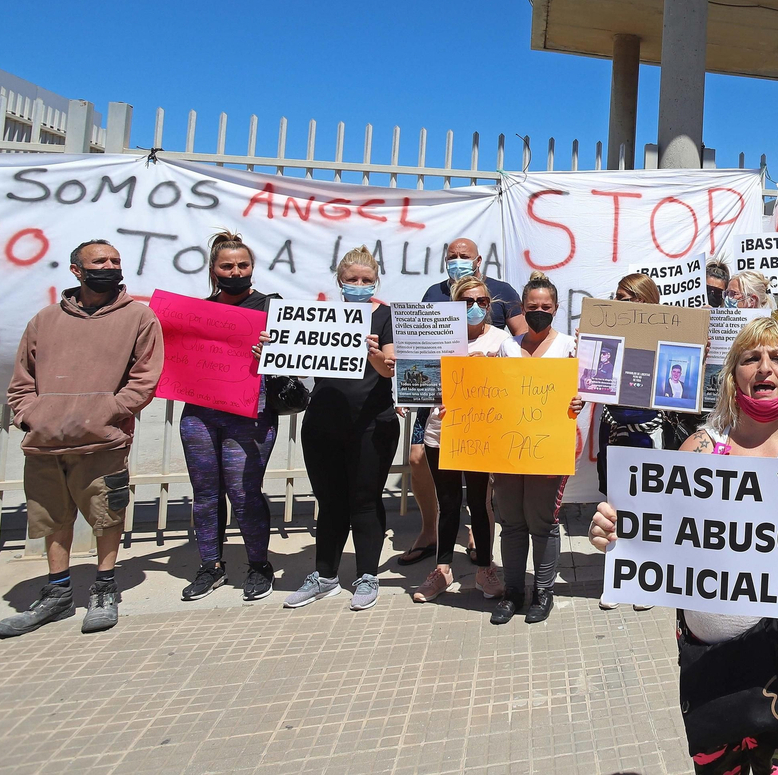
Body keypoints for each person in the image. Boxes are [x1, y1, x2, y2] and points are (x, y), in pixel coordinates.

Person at [588, 317, 778, 775]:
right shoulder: (700, 447)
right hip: (710, 659)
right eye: (751, 358)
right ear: (733, 375)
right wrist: (615, 533)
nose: (764, 367)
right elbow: (652, 539)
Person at [0, 240, 163, 637]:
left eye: (115, 260)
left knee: (107, 516)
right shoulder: (45, 320)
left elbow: (144, 379)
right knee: (52, 517)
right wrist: (30, 416)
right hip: (46, 442)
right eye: (99, 261)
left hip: (103, 442)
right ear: (76, 270)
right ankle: (57, 592)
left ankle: (104, 587)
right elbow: (22, 380)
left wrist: (109, 412)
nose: (109, 266)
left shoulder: (139, 317)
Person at [398, 238, 525, 567]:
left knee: (481, 494)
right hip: (440, 419)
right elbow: (418, 358)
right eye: (451, 257)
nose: (457, 261)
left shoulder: (500, 321)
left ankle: (481, 554)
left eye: (463, 256)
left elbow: (522, 352)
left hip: (481, 424)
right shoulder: (433, 296)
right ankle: (433, 542)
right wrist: (406, 392)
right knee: (425, 469)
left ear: (478, 260)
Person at [284, 246, 398, 612]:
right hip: (322, 423)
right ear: (340, 281)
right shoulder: (319, 317)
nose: (360, 285)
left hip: (371, 424)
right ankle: (325, 575)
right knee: (329, 502)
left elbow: (389, 369)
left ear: (375, 281)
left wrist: (374, 354)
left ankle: (367, 575)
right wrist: (274, 347)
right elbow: (291, 358)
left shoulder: (386, 317)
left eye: (367, 280)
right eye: (352, 280)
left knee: (365, 500)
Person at [179, 231, 283, 603]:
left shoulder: (273, 307)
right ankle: (211, 565)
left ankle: (258, 564)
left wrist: (274, 349)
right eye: (228, 266)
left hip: (250, 414)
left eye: (243, 265)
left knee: (243, 491)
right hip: (200, 414)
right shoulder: (198, 312)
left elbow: (295, 359)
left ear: (252, 268)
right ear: (213, 270)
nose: (236, 271)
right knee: (205, 494)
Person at [411, 275, 518, 606]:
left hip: (480, 437)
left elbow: (517, 383)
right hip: (439, 433)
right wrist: (409, 388)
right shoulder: (437, 339)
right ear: (455, 306)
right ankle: (442, 569)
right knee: (447, 503)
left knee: (480, 502)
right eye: (467, 302)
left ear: (490, 305)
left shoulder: (502, 341)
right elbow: (417, 378)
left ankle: (486, 568)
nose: (474, 307)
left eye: (481, 302)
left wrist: (489, 369)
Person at [492, 271, 583, 625]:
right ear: (522, 308)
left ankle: (543, 592)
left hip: (550, 447)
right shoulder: (507, 346)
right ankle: (513, 592)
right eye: (532, 306)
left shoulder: (570, 347)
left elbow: (585, 393)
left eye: (546, 306)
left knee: (543, 521)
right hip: (508, 448)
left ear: (556, 309)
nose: (539, 311)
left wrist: (579, 403)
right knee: (511, 522)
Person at [595, 272, 670, 611]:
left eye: (629, 298)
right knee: (616, 505)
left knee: (649, 507)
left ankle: (646, 580)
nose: (623, 303)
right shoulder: (606, 332)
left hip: (650, 431)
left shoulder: (668, 333)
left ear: (645, 300)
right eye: (619, 297)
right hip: (614, 427)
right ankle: (617, 577)